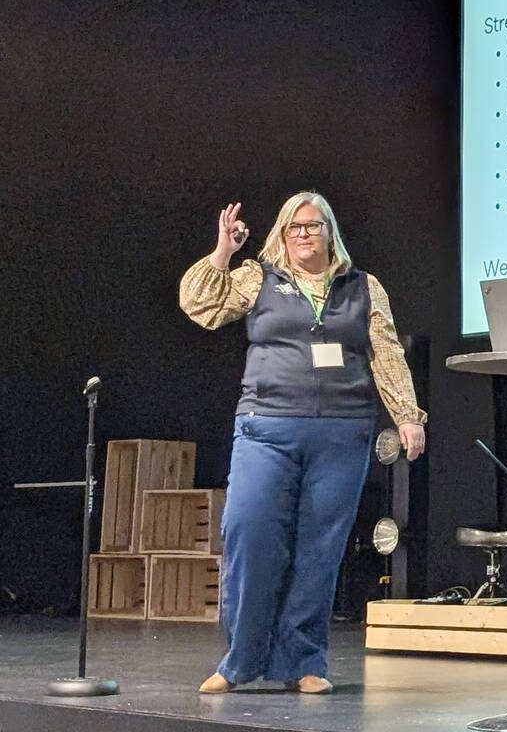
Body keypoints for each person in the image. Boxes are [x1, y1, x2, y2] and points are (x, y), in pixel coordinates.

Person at [179, 192, 426, 694]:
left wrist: (408, 415)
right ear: (281, 235)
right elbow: (199, 306)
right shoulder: (257, 276)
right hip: (265, 426)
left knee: (319, 548)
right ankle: (240, 660)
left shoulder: (364, 286)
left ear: (330, 232)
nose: (304, 234)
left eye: (313, 226)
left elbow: (386, 351)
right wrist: (223, 252)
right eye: (295, 227)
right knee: (249, 529)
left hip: (342, 430)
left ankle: (304, 662)